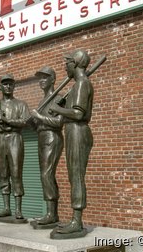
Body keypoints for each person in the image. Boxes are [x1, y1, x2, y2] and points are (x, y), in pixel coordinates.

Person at [48, 50, 93, 236]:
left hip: (78, 131)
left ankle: (77, 221)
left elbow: (78, 114)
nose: (64, 67)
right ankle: (75, 219)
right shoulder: (77, 86)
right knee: (73, 175)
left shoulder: (82, 83)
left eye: (66, 63)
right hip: (72, 130)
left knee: (76, 175)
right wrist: (61, 108)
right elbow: (71, 111)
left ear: (74, 64)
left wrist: (58, 108)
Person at [0, 74, 30, 220]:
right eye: (5, 84)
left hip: (14, 138)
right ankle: (6, 207)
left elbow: (25, 122)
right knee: (3, 173)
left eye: (11, 84)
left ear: (14, 86)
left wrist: (7, 120)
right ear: (2, 87)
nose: (8, 86)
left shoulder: (21, 104)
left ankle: (18, 209)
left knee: (16, 173)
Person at [30, 66, 64, 227]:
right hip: (41, 136)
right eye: (40, 78)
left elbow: (58, 122)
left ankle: (51, 214)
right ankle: (51, 213)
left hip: (52, 136)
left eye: (45, 77)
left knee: (47, 173)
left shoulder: (59, 98)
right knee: (45, 174)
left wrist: (40, 116)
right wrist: (32, 121)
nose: (41, 80)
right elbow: (38, 125)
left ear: (52, 80)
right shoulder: (42, 101)